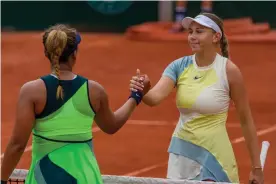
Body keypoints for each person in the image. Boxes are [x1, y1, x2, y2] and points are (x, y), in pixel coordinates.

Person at [1, 24, 150, 184]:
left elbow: (17, 145)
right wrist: (136, 96)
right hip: (86, 178)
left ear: (47, 54)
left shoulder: (31, 91)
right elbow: (111, 126)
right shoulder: (94, 91)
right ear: (74, 55)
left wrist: (2, 179)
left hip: (44, 177)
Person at [130, 13, 264, 184]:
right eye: (190, 32)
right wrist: (143, 90)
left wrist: (256, 168)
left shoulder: (229, 71)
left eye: (199, 32)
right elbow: (154, 98)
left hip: (215, 157)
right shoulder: (179, 66)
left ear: (216, 36)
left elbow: (246, 120)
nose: (192, 36)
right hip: (182, 154)